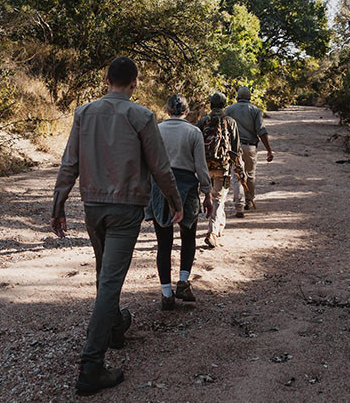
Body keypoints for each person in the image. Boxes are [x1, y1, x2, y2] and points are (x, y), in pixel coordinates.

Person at [49, 56, 183, 397]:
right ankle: (91, 365)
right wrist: (175, 201)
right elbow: (160, 167)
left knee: (103, 273)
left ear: (106, 79)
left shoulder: (83, 113)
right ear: (134, 82)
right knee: (109, 281)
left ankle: (114, 327)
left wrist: (58, 205)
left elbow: (70, 162)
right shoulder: (141, 116)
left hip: (93, 206)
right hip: (126, 208)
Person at [146, 94, 214, 311]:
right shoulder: (193, 132)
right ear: (187, 111)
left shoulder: (156, 130)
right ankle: (183, 281)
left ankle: (166, 294)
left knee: (163, 243)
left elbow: (148, 162)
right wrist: (208, 194)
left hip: (160, 187)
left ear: (167, 111)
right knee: (188, 238)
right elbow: (201, 167)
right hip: (186, 187)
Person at [197, 92, 242, 248]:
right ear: (225, 105)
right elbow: (236, 149)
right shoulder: (230, 122)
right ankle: (212, 232)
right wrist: (239, 169)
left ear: (211, 105)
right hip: (222, 167)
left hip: (205, 166)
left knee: (210, 197)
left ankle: (218, 227)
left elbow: (196, 144)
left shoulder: (203, 121)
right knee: (218, 199)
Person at [225, 86, 274, 217]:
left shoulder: (229, 110)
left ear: (237, 97)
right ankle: (249, 201)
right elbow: (261, 131)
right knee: (250, 174)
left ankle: (239, 205)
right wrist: (269, 150)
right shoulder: (255, 110)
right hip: (250, 146)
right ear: (250, 98)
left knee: (237, 175)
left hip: (233, 148)